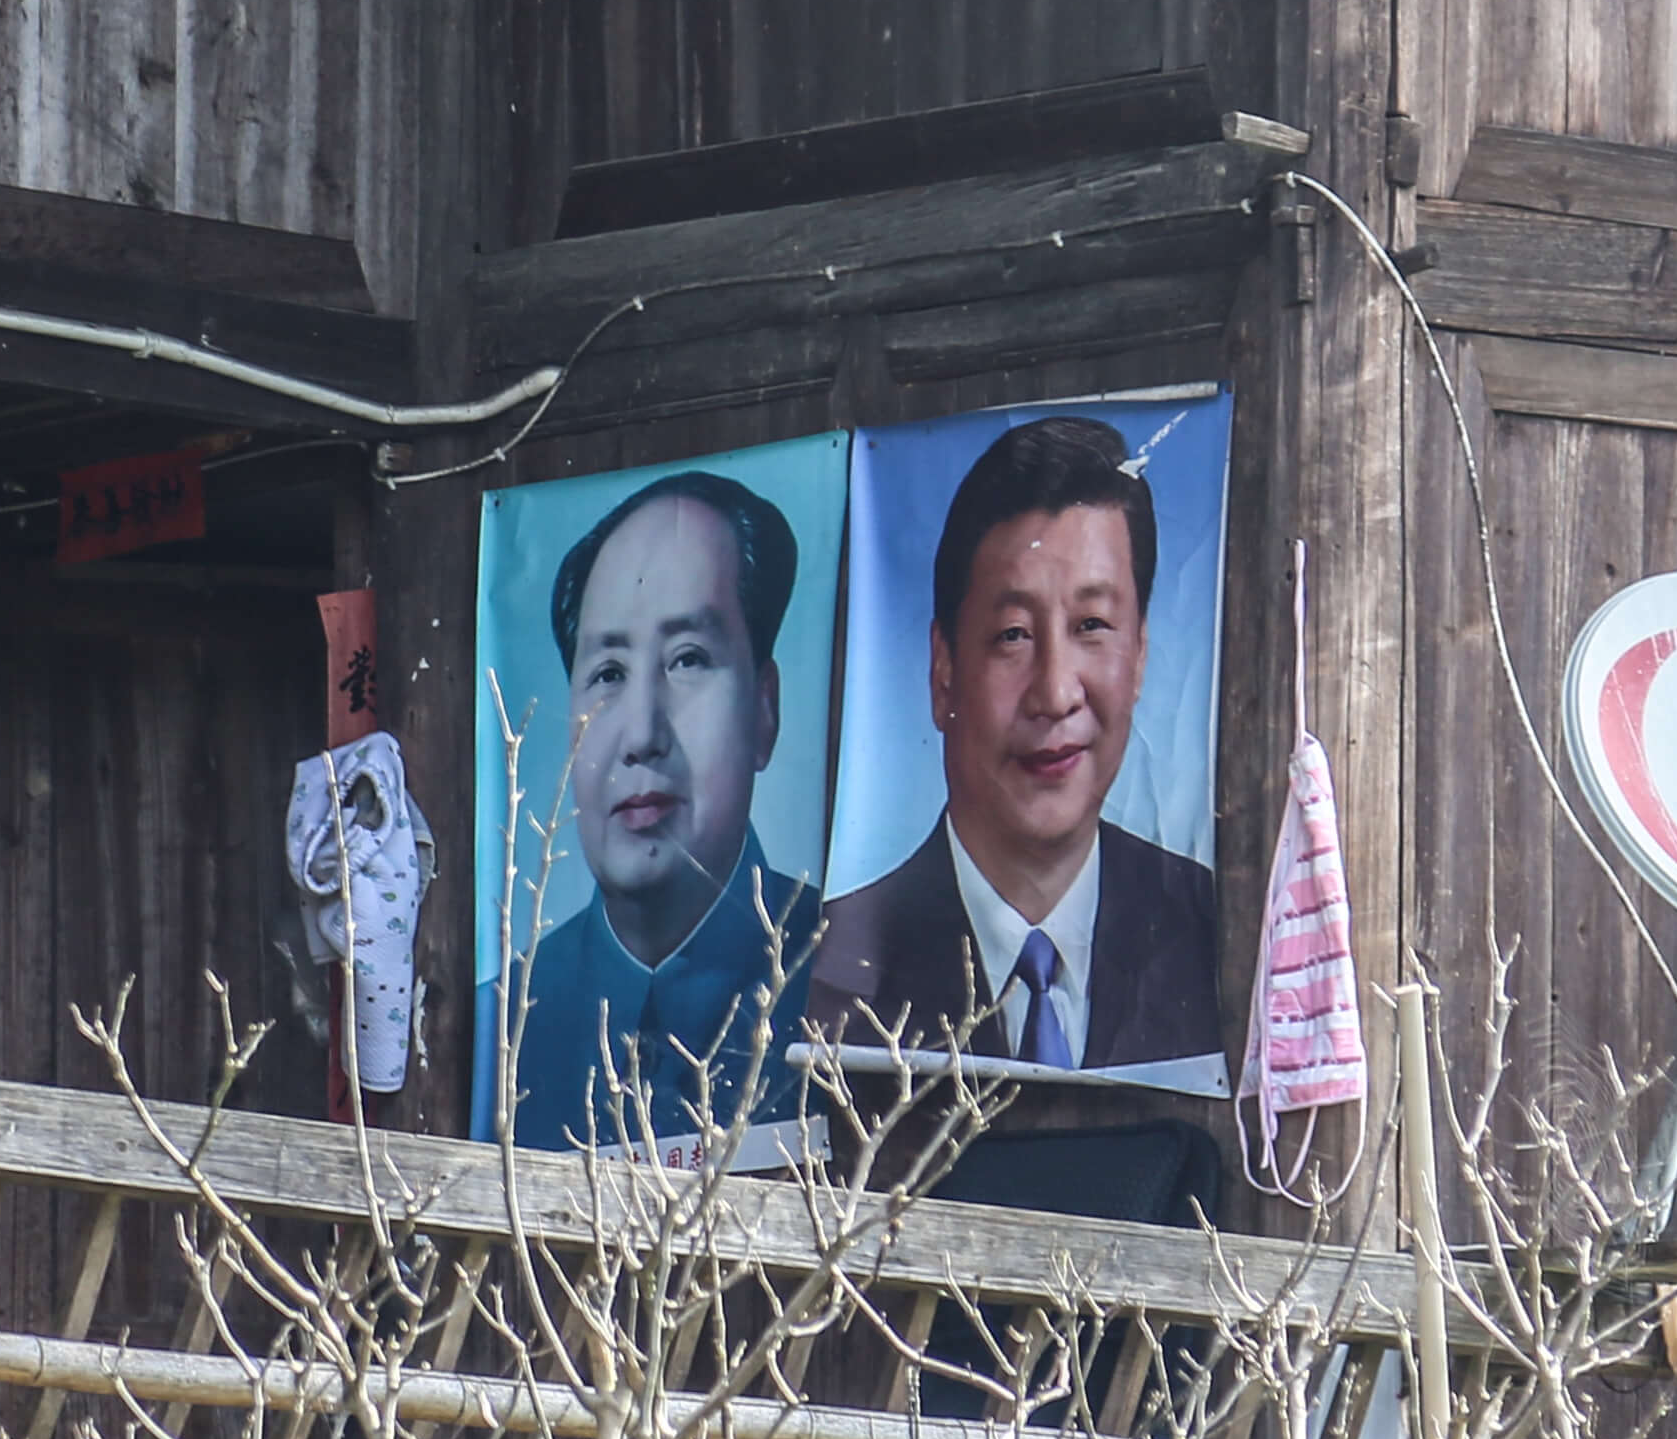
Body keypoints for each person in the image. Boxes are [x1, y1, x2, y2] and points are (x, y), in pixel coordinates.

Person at [812, 414, 1222, 1072]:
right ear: (943, 670)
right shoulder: (834, 966)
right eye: (1013, 635)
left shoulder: (1216, 934)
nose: (1055, 693)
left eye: (1092, 624)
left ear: (1140, 655)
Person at [499, 472, 826, 1149]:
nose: (643, 733)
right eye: (609, 675)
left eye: (687, 660)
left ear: (764, 709)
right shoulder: (501, 1021)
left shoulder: (848, 977)